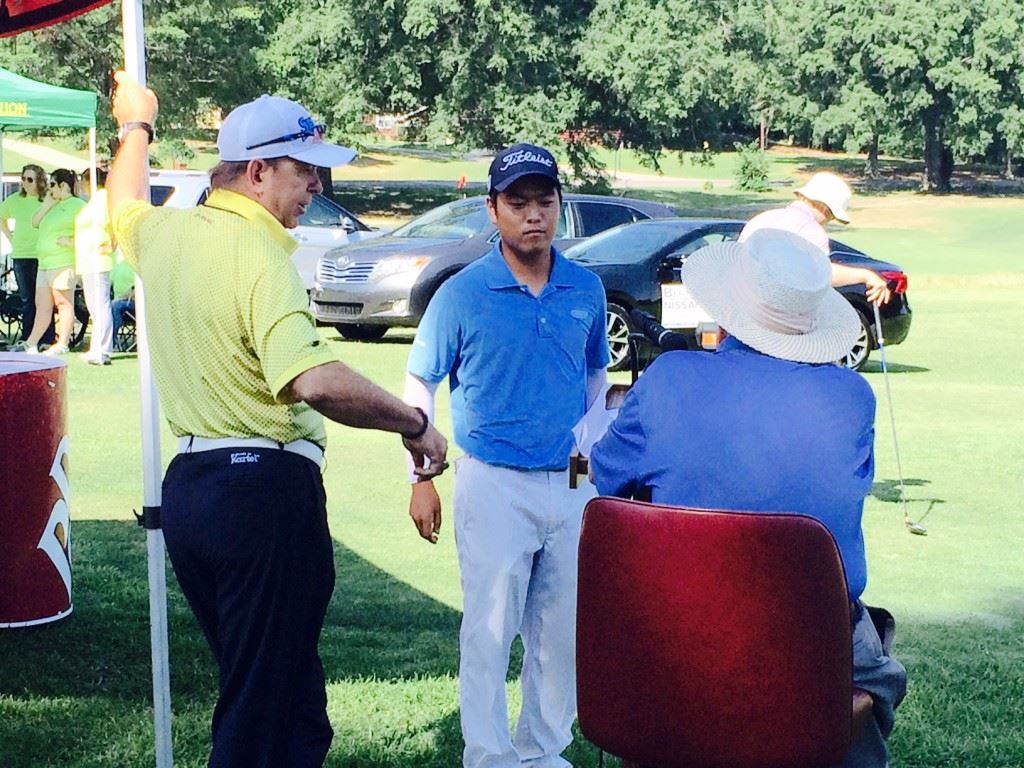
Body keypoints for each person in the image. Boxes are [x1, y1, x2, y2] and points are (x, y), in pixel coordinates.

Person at [106, 71, 448, 768]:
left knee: (285, 701)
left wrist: (134, 127)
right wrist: (413, 422)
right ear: (258, 171)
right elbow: (315, 380)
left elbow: (122, 205)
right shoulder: (259, 254)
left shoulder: (168, 234)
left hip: (194, 491)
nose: (317, 188)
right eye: (305, 172)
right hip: (262, 494)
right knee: (261, 712)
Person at [589, 228, 907, 768]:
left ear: (729, 306)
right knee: (875, 671)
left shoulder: (669, 379)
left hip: (675, 643)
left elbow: (607, 477)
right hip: (808, 644)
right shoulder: (852, 397)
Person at [403, 143, 610, 768]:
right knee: (489, 632)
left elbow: (596, 380)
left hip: (571, 485)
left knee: (560, 633)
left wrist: (590, 462)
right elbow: (419, 385)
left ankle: (543, 752)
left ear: (559, 208)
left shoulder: (586, 287)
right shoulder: (463, 294)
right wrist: (421, 477)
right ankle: (488, 756)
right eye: (516, 203)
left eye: (543, 201)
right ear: (492, 210)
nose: (532, 216)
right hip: (492, 480)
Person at [739, 171, 891, 305]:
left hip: (741, 309)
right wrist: (866, 275)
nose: (828, 221)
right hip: (777, 319)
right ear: (825, 208)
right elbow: (822, 275)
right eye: (832, 216)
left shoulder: (761, 219)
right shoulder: (811, 231)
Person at [18, 168, 85, 355]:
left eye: (53, 185)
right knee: (42, 304)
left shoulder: (77, 205)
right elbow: (35, 221)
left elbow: (87, 232)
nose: (50, 189)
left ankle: (62, 342)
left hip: (63, 261)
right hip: (45, 262)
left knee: (63, 302)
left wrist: (70, 242)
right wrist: (47, 205)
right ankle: (31, 342)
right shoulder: (53, 204)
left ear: (63, 185)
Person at [1, 164, 51, 346]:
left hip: (42, 255)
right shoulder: (14, 200)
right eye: (23, 179)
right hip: (21, 254)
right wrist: (9, 236)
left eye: (30, 179)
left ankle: (47, 338)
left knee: (44, 298)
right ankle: (27, 338)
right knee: (27, 299)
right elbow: (1, 216)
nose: (25, 183)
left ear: (39, 181)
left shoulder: (46, 199)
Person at [75, 167, 115, 364]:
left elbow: (112, 223)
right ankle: (96, 346)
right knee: (94, 306)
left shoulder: (102, 199)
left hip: (97, 259)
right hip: (87, 260)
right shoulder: (94, 201)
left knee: (100, 304)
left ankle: (103, 349)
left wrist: (111, 244)